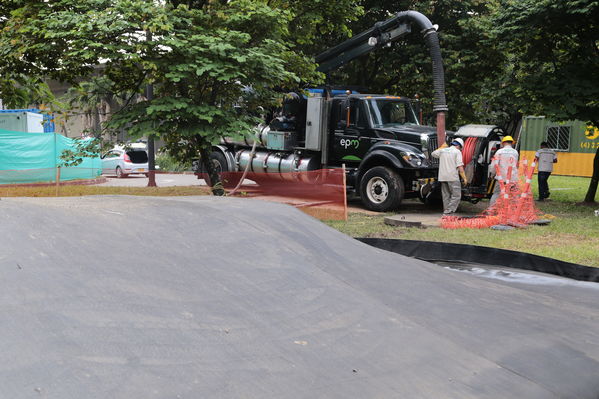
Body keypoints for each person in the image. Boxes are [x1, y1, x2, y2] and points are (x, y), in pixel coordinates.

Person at [431, 138, 467, 215]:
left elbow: (433, 154)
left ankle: (446, 213)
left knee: (446, 196)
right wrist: (464, 178)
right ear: (458, 146)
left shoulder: (443, 150)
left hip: (443, 177)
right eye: (461, 148)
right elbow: (460, 166)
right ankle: (449, 211)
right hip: (452, 177)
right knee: (456, 195)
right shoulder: (457, 152)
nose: (460, 149)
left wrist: (441, 147)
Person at [489, 136, 519, 206]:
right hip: (513, 178)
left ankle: (491, 211)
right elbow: (515, 164)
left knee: (496, 194)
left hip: (501, 177)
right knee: (514, 196)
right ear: (512, 143)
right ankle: (514, 212)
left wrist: (492, 174)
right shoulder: (515, 152)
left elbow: (494, 165)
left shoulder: (499, 152)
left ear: (503, 143)